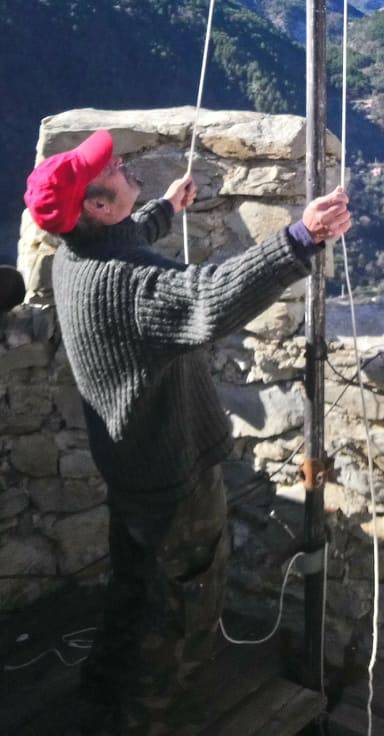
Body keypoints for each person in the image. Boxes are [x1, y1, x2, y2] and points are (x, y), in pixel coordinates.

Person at [24, 128, 351, 735]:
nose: (122, 165)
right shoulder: (125, 286)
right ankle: (142, 720)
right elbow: (206, 299)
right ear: (96, 204)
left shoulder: (72, 258)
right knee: (179, 611)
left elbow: (121, 241)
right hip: (172, 477)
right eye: (113, 169)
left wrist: (163, 210)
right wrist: (298, 240)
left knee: (133, 588)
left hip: (130, 470)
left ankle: (100, 689)